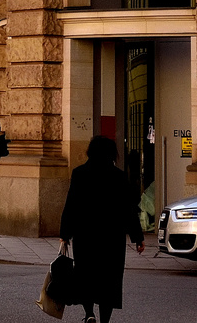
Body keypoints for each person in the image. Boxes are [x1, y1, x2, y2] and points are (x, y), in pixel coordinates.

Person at [59, 135, 144, 323]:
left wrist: (65, 233)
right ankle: (105, 320)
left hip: (85, 236)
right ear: (112, 153)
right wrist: (138, 237)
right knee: (110, 280)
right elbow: (129, 209)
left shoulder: (79, 173)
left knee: (86, 275)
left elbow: (71, 204)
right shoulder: (119, 176)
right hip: (112, 238)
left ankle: (89, 313)